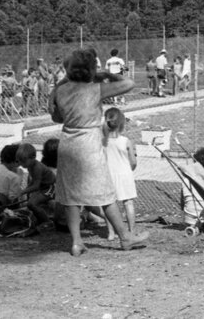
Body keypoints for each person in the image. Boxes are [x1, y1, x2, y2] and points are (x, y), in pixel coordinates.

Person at [49, 48, 146, 256]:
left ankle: (76, 242)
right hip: (90, 142)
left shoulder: (60, 90)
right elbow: (129, 84)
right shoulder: (95, 89)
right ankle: (125, 237)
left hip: (68, 143)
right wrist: (108, 75)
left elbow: (56, 118)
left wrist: (61, 82)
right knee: (104, 191)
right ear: (91, 69)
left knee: (71, 195)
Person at [102, 107, 137, 241]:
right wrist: (130, 169)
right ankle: (131, 231)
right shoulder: (126, 141)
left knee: (109, 204)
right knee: (128, 203)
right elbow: (133, 162)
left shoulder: (103, 141)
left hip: (108, 175)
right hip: (125, 174)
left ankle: (111, 233)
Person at [16, 142, 57, 235]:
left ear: (33, 157)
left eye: (23, 161)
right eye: (19, 161)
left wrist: (22, 192)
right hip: (43, 187)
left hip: (50, 187)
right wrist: (26, 189)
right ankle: (42, 219)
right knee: (31, 203)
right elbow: (33, 181)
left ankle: (47, 222)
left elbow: (36, 186)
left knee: (32, 203)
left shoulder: (37, 168)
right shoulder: (30, 166)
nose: (21, 164)